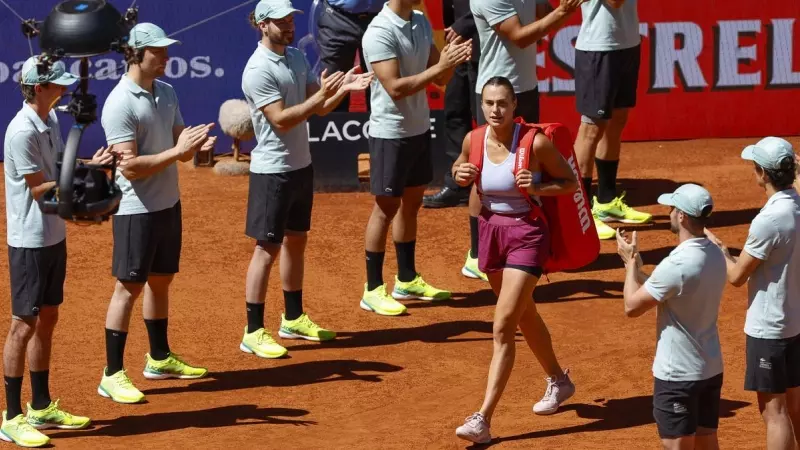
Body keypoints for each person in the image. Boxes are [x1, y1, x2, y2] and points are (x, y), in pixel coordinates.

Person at [240, 0, 373, 358]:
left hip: (301, 166)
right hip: (272, 171)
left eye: (290, 20)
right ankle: (253, 330)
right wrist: (320, 98)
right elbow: (282, 119)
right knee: (266, 250)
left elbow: (321, 105)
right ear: (262, 25)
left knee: (296, 242)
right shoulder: (257, 69)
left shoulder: (296, 59)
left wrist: (344, 88)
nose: (289, 26)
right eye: (280, 21)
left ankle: (293, 318)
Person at [452, 76, 578, 444]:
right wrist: (457, 174)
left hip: (528, 234)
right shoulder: (473, 140)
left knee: (503, 325)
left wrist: (537, 186)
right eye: (489, 103)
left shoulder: (534, 142)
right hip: (491, 233)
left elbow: (569, 182)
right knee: (526, 314)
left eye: (502, 103)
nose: (495, 110)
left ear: (515, 105)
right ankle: (559, 380)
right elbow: (461, 170)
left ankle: (483, 419)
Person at [98, 22, 216, 404]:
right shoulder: (119, 102)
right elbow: (128, 167)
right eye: (159, 51)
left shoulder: (166, 92)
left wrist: (196, 144)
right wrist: (177, 153)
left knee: (160, 281)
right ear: (136, 54)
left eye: (166, 50)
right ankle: (112, 374)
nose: (166, 57)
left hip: (167, 204)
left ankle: (159, 357)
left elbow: (178, 136)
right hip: (136, 210)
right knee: (127, 288)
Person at [2, 56, 116, 447]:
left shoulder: (48, 119)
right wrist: (84, 188)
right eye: (57, 85)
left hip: (53, 238)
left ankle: (41, 405)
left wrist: (87, 164)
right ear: (38, 88)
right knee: (23, 324)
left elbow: (56, 169)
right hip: (29, 242)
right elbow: (40, 190)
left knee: (47, 318)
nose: (65, 90)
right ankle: (12, 416)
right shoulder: (21, 132)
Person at [358, 0, 472, 315]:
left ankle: (406, 279)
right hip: (389, 134)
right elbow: (394, 87)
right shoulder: (378, 31)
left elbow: (441, 79)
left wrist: (452, 60)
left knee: (411, 203)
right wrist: (440, 66)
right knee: (385, 208)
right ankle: (372, 288)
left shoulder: (420, 22)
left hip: (418, 129)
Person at [461, 0, 585, 281]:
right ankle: (476, 252)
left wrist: (563, 7)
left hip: (525, 87)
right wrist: (563, 12)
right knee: (485, 168)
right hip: (496, 94)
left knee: (529, 165)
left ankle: (527, 241)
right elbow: (521, 36)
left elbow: (544, 15)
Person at [705, 137, 800, 450]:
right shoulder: (797, 205)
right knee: (795, 406)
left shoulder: (768, 221)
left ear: (763, 173)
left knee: (775, 412)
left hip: (770, 329)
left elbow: (736, 276)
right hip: (795, 323)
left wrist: (719, 248)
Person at [617, 183, 726, 449]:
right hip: (710, 369)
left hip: (678, 375)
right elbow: (668, 290)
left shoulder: (677, 264)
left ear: (682, 216)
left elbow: (632, 306)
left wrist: (630, 264)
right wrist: (636, 268)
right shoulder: (715, 252)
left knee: (677, 446)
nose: (669, 213)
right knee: (707, 441)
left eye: (672, 208)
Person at [573, 0, 651, 241]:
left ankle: (606, 201)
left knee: (617, 121)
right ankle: (580, 213)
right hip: (599, 46)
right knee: (591, 129)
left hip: (627, 43)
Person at [421, 0, 481, 209]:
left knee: (484, 118)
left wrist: (464, 25)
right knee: (455, 112)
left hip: (484, 45)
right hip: (457, 46)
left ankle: (492, 185)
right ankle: (458, 184)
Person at [315, 0, 382, 112]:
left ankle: (381, 128)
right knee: (334, 86)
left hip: (380, 17)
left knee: (382, 87)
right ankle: (333, 127)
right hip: (337, 18)